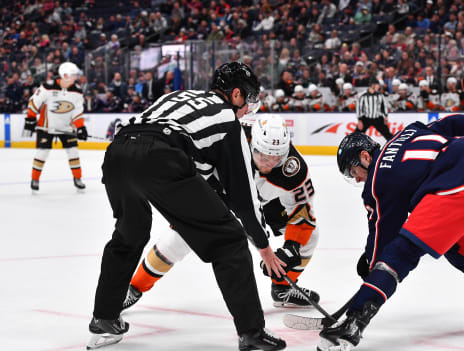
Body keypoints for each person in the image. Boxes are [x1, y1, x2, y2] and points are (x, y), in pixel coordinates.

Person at [87, 62, 286, 351]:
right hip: (160, 157)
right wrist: (264, 248)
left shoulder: (179, 96)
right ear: (235, 95)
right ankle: (252, 333)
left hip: (118, 153)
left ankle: (104, 318)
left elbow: (198, 170)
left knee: (129, 235)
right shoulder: (228, 121)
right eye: (248, 100)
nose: (246, 110)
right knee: (229, 240)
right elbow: (243, 198)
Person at [317, 118, 464, 351]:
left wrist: (370, 266)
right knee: (463, 254)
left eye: (354, 172)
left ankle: (352, 324)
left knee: (400, 253)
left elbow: (382, 232)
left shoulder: (376, 180)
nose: (358, 179)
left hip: (457, 190)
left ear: (365, 157)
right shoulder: (409, 131)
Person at [121, 114, 321, 310]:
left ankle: (283, 289)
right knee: (178, 238)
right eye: (263, 155)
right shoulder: (228, 138)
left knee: (310, 235)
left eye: (276, 157)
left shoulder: (293, 169)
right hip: (218, 193)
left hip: (263, 201)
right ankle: (134, 287)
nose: (269, 162)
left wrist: (292, 248)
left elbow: (301, 213)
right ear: (252, 143)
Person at [22, 62, 88, 193]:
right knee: (42, 153)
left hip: (66, 128)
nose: (76, 77)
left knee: (73, 152)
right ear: (65, 75)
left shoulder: (77, 91)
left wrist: (80, 127)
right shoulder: (47, 87)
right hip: (46, 127)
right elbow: (34, 101)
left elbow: (77, 112)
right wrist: (30, 117)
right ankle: (35, 179)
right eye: (74, 75)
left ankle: (78, 179)